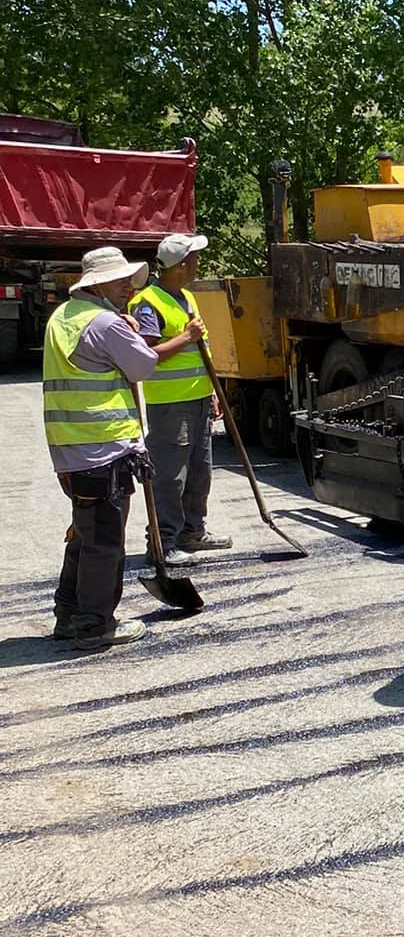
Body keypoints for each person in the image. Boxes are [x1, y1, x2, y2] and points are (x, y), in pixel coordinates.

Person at [42, 244, 206, 653]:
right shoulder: (106, 324)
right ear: (102, 284)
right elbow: (143, 366)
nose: (128, 290)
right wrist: (129, 331)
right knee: (104, 540)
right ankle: (95, 624)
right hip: (104, 446)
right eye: (121, 283)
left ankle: (69, 613)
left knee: (84, 532)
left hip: (71, 446)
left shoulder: (63, 318)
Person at [130, 231, 229, 566]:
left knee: (201, 471)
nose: (198, 263)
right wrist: (187, 337)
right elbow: (144, 355)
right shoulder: (149, 303)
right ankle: (162, 542)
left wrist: (213, 390)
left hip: (199, 397)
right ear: (182, 265)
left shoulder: (185, 296)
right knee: (170, 476)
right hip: (170, 404)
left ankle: (192, 530)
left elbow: (200, 349)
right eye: (194, 259)